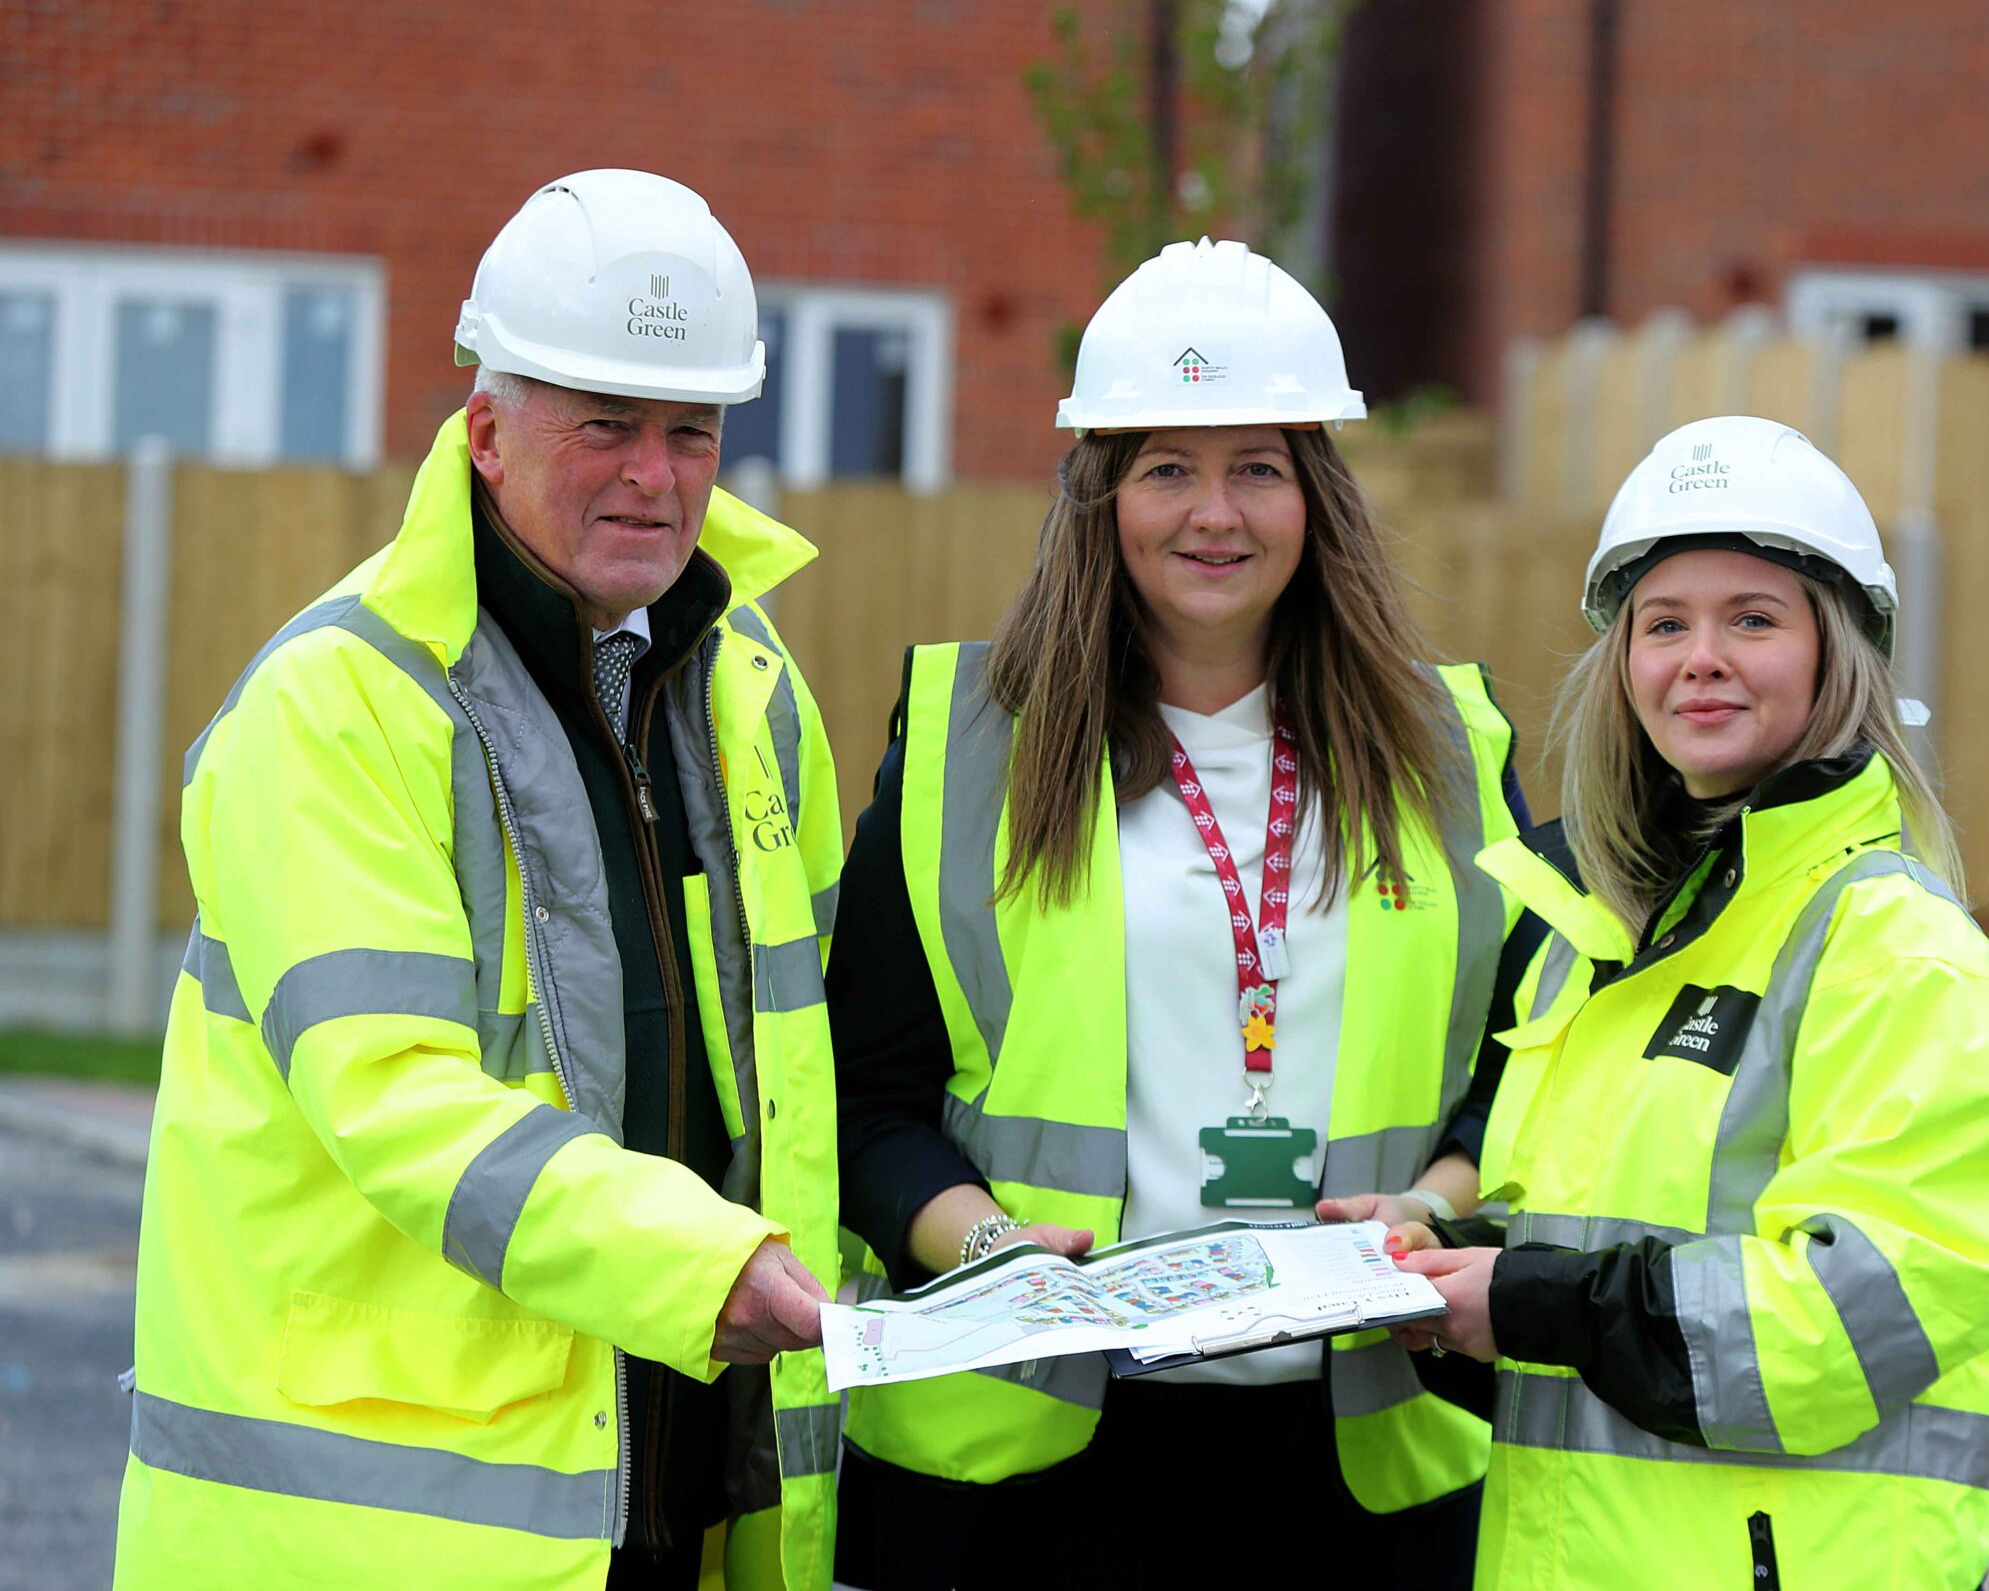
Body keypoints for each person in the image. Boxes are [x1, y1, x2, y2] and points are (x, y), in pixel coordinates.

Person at [115, 170, 846, 1590]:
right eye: (606, 426)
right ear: (487, 431)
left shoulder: (750, 689)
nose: (656, 472)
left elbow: (808, 1066)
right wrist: (702, 1265)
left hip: (680, 1490)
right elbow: (395, 1094)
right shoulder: (337, 702)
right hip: (380, 1534)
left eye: (690, 431)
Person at [828, 238, 1529, 1588]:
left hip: (1359, 1458)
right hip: (1026, 1460)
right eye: (1168, 468)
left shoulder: (1454, 751)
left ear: (1316, 495)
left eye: (1257, 466)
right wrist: (983, 1245)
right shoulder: (971, 751)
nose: (1216, 512)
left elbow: (1529, 1069)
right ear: (1102, 495)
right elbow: (869, 1100)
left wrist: (1434, 1208)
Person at [1390, 416, 1989, 1590]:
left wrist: (1531, 1302)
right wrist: (1444, 1278)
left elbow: (1850, 1324)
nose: (1701, 656)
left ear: (1835, 652)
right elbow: (1600, 1274)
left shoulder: (1895, 952)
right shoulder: (1596, 949)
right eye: (1664, 624)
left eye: (1752, 617)